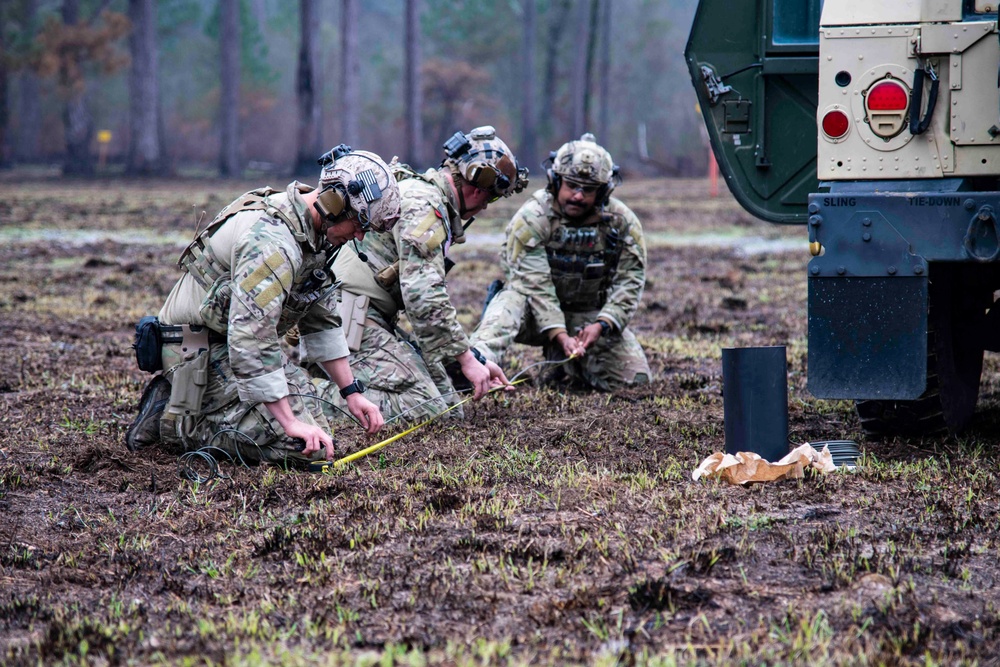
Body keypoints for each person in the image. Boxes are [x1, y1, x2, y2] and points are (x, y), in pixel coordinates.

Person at [124, 146, 402, 467]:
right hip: (196, 350)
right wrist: (290, 423)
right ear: (334, 203)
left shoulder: (314, 237)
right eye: (358, 224)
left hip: (230, 347)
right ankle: (174, 421)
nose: (360, 236)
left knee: (318, 436)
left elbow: (322, 321)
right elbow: (251, 337)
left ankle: (200, 408)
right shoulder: (272, 241)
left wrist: (352, 392)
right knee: (305, 449)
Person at [318, 126, 529, 422]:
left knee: (446, 400)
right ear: (478, 188)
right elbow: (423, 296)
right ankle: (303, 396)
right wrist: (466, 359)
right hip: (348, 318)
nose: (484, 207)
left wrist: (473, 358)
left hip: (357, 315)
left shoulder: (424, 195)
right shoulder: (424, 205)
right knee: (430, 409)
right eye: (491, 198)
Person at [469, 133, 651, 390]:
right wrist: (560, 334)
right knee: (508, 301)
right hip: (532, 313)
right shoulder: (533, 217)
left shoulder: (622, 223)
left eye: (588, 189)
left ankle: (568, 365)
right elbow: (535, 284)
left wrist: (603, 324)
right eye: (571, 185)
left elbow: (630, 280)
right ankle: (474, 365)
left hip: (587, 318)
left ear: (603, 191)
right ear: (555, 181)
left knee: (636, 382)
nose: (578, 196)